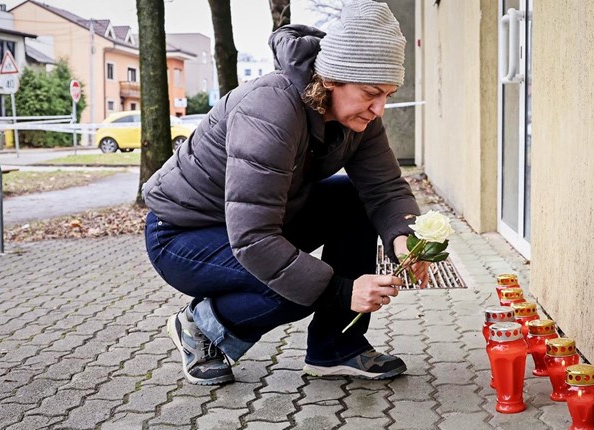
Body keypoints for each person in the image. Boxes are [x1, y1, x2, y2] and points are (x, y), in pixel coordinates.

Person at [143, 0, 427, 386]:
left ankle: (336, 348)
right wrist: (342, 290)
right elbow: (254, 239)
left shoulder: (359, 117)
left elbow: (385, 188)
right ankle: (200, 326)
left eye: (388, 95)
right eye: (371, 93)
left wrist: (404, 238)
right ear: (332, 79)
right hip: (183, 233)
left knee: (355, 200)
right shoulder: (268, 110)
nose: (379, 109)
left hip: (260, 220)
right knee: (295, 289)